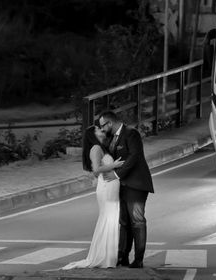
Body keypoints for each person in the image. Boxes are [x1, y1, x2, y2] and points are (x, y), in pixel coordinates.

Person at [61, 125, 124, 269]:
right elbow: (96, 171)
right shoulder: (95, 149)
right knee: (108, 218)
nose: (102, 130)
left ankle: (110, 256)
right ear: (93, 134)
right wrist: (113, 165)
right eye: (98, 129)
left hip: (111, 186)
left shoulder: (101, 146)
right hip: (106, 186)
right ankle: (105, 257)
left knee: (112, 219)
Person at [97, 110, 155, 269]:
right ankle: (122, 256)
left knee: (137, 221)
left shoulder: (131, 133)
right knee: (123, 222)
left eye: (103, 126)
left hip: (136, 184)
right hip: (120, 187)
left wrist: (116, 174)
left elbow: (134, 157)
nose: (102, 129)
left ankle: (139, 259)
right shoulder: (110, 138)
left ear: (110, 123)